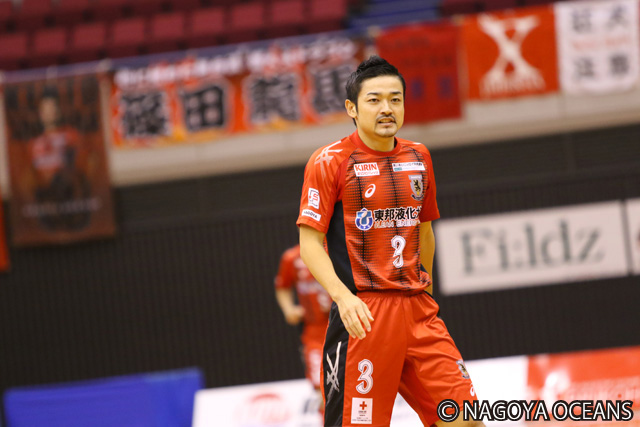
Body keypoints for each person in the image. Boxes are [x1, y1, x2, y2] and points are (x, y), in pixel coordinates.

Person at [297, 56, 484, 426]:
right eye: (374, 100)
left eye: (395, 99)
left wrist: (426, 290)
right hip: (364, 314)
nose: (387, 108)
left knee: (465, 418)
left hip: (418, 310)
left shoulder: (419, 156)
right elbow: (309, 244)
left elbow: (424, 230)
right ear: (352, 108)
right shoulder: (329, 161)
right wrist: (343, 298)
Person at [274, 244, 331, 406]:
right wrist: (288, 309)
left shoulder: (339, 249)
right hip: (313, 331)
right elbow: (282, 286)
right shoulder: (292, 258)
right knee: (321, 388)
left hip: (345, 327)